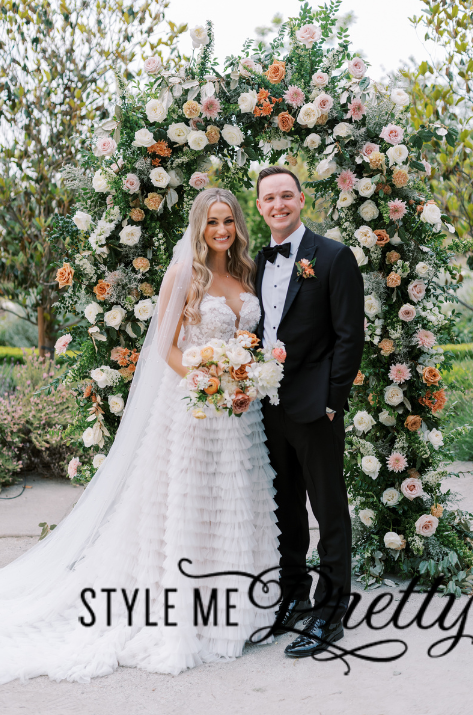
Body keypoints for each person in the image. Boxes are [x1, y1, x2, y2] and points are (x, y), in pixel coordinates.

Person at [0, 188, 279, 684]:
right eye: (213, 221)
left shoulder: (245, 273)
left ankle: (238, 611)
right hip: (191, 409)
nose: (221, 230)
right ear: (199, 226)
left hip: (240, 414)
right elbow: (164, 349)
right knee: (188, 503)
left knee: (236, 500)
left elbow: (253, 340)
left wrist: (245, 379)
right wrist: (204, 378)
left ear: (238, 226)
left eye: (229, 222)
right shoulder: (184, 275)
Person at [255, 166, 365, 659]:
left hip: (315, 408)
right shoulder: (256, 261)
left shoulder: (334, 256)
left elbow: (349, 337)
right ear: (259, 207)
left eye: (286, 196)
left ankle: (329, 613)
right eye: (268, 199)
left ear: (301, 199)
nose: (278, 205)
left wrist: (331, 402)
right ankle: (294, 599)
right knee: (286, 511)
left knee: (328, 510)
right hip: (268, 407)